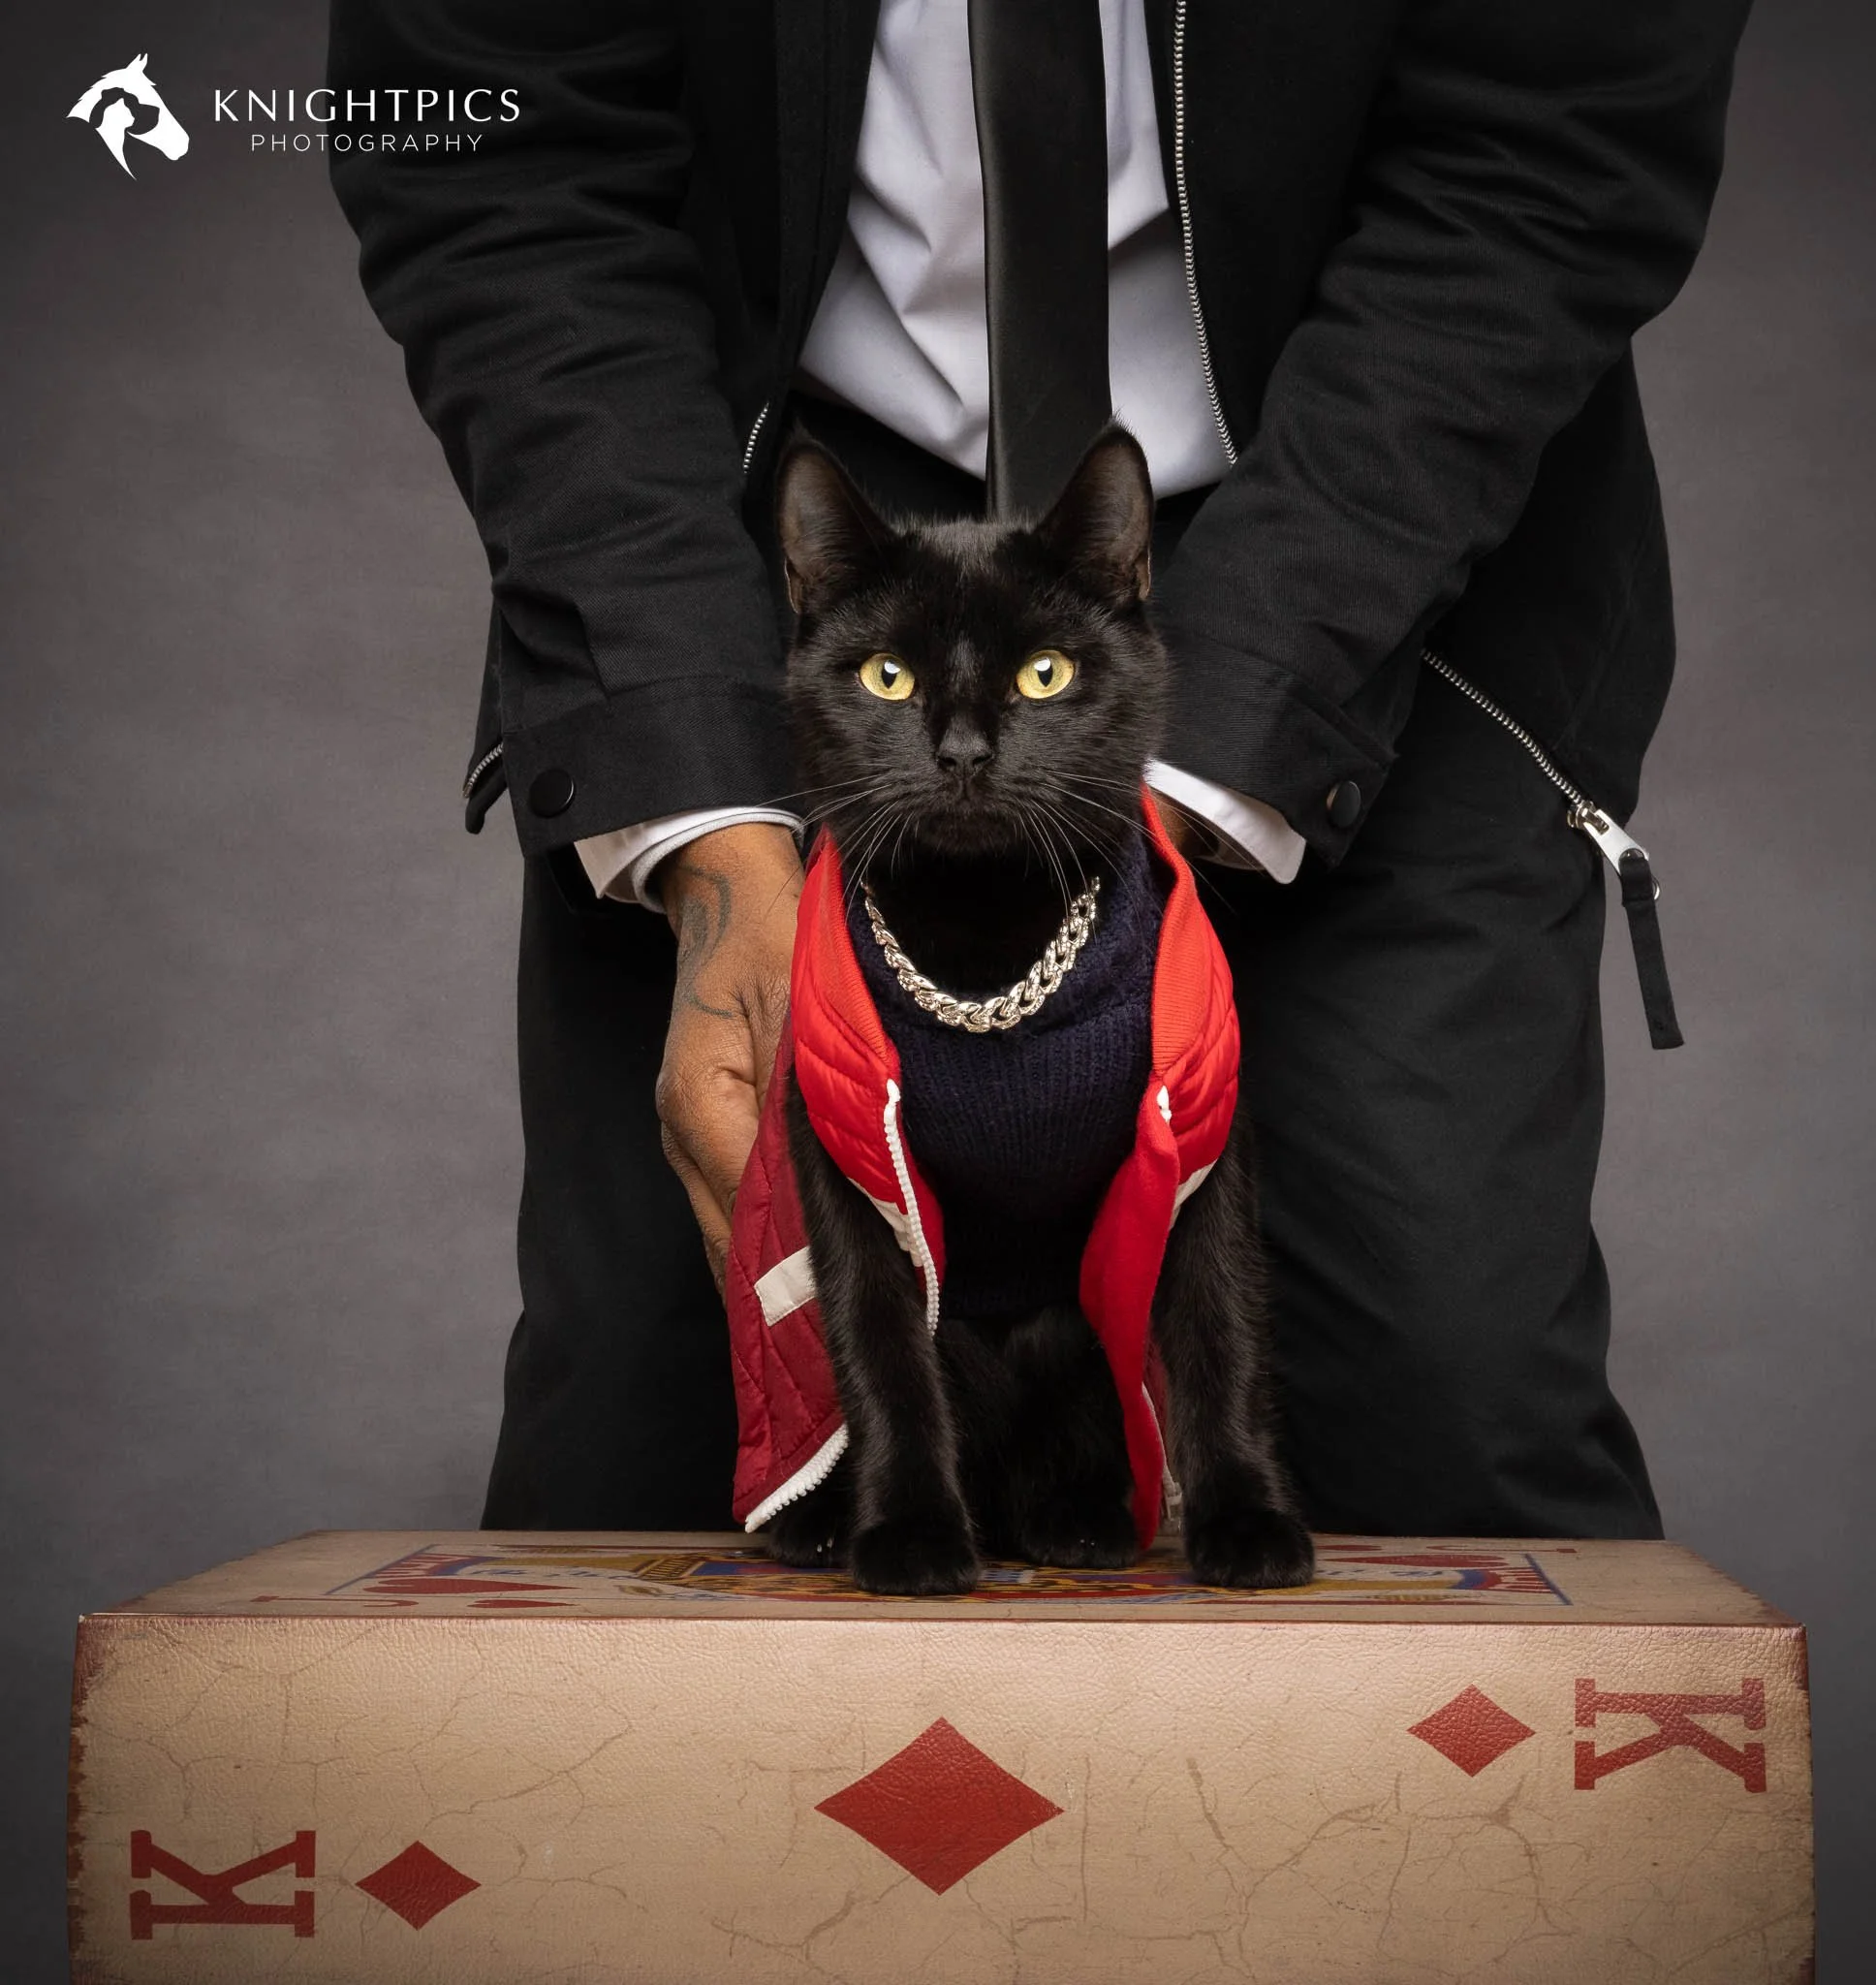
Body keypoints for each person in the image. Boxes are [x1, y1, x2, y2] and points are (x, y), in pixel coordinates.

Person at [328, 0, 1753, 1541]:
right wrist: (709, 816)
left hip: (1375, 529)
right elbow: (500, 166)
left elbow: (1551, 159)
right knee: (659, 1423)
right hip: (776, 563)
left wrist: (1229, 739)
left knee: (1439, 1406)